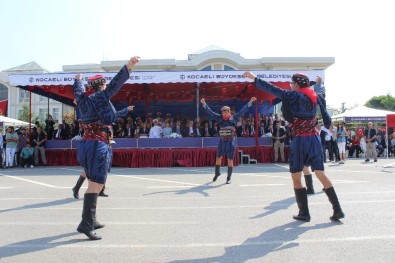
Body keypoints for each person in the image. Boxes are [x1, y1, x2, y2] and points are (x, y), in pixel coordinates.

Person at [244, 71, 344, 221]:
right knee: (321, 174)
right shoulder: (315, 96)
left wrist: (255, 79)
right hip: (314, 139)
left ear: (296, 84)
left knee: (296, 176)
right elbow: (327, 119)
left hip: (299, 140)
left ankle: (304, 212)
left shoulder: (294, 95)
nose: (290, 86)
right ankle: (338, 209)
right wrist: (321, 127)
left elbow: (273, 90)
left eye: (291, 84)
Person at [72, 55, 140, 240]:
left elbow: (78, 89)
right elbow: (115, 85)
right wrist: (128, 66)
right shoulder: (100, 97)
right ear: (100, 85)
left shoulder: (82, 98)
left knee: (94, 180)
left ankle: (91, 220)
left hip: (87, 143)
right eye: (103, 84)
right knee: (97, 183)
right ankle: (86, 224)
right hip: (97, 143)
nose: (105, 86)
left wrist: (77, 79)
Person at [201, 97, 256, 184]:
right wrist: (204, 104)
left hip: (231, 141)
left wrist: (250, 102)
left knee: (230, 159)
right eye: (223, 112)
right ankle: (217, 173)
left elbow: (242, 111)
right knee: (218, 157)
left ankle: (228, 178)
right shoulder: (219, 118)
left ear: (229, 112)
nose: (224, 113)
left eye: (226, 112)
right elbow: (210, 112)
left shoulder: (234, 118)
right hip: (222, 140)